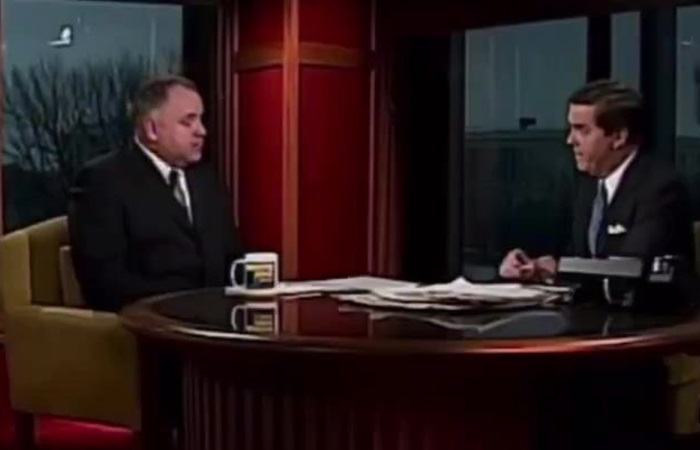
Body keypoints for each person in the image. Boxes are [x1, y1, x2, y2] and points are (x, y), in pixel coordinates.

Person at [69, 75, 244, 311]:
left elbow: (233, 259)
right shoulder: (103, 181)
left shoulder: (206, 180)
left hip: (219, 319)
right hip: (151, 324)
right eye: (188, 122)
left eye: (201, 120)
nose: (202, 131)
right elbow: (105, 286)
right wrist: (188, 306)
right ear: (152, 129)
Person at [499, 79, 694, 283]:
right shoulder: (589, 186)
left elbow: (630, 269)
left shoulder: (661, 189)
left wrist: (559, 269)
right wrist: (534, 267)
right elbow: (581, 259)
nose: (570, 140)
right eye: (571, 129)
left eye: (582, 130)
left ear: (618, 137)